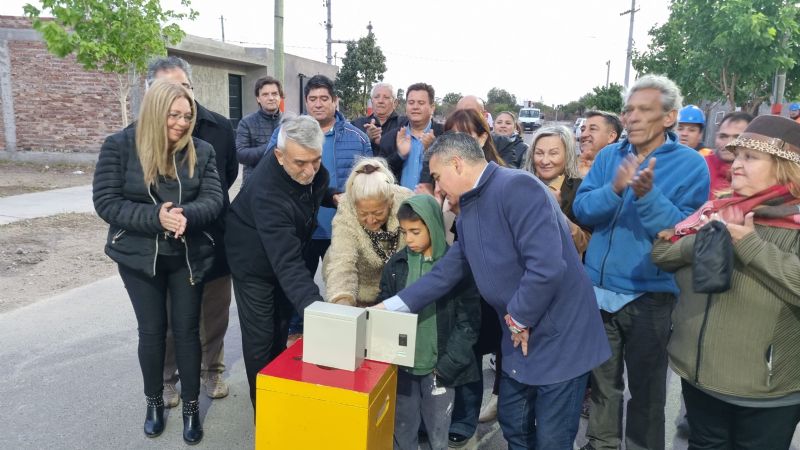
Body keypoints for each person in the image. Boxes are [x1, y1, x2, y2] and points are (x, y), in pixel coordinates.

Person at [378, 133, 610, 450]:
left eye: (437, 176)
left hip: (559, 337)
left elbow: (546, 267)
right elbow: (450, 269)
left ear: (457, 164)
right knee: (515, 424)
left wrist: (519, 318)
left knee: (551, 438)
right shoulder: (471, 205)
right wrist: (392, 306)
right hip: (518, 336)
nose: (439, 188)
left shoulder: (517, 188)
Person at [573, 74, 710, 450]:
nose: (631, 117)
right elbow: (583, 208)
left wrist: (647, 196)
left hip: (651, 297)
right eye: (628, 110)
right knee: (603, 385)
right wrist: (615, 189)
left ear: (669, 118)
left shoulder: (691, 166)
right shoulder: (608, 156)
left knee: (648, 393)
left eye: (643, 110)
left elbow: (681, 231)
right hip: (599, 292)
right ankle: (602, 443)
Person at [652, 114, 800, 450]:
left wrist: (748, 244)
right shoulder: (715, 210)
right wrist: (707, 235)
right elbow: (661, 253)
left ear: (784, 166)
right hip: (700, 378)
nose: (736, 164)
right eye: (737, 156)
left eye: (751, 157)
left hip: (766, 391)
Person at [93, 80, 223, 444]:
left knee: (186, 332)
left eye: (187, 116)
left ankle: (191, 408)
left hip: (186, 255)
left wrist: (185, 215)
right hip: (138, 256)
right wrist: (156, 217)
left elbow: (215, 200)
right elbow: (106, 202)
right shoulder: (119, 146)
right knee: (151, 331)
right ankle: (153, 402)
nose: (182, 123)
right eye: (174, 115)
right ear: (155, 112)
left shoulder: (203, 151)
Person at [144, 56, 239, 410]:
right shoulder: (142, 133)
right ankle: (168, 378)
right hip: (162, 242)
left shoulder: (219, 128)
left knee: (214, 312)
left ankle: (211, 369)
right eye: (166, 88)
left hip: (212, 235)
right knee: (167, 316)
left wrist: (195, 209)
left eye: (182, 86)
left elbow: (225, 178)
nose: (177, 95)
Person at [226, 115, 335, 407]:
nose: (310, 170)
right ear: (279, 154)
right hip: (252, 263)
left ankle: (280, 394)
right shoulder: (267, 192)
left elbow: (315, 188)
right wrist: (318, 312)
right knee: (261, 338)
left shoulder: (307, 166)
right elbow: (287, 263)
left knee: (282, 326)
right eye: (301, 163)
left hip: (283, 250)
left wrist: (336, 197)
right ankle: (264, 413)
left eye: (316, 160)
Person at [377, 194, 481, 450]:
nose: (409, 239)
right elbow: (386, 304)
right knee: (402, 427)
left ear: (433, 226)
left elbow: (469, 321)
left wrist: (449, 364)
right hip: (403, 368)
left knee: (438, 432)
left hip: (440, 370)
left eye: (415, 231)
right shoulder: (397, 264)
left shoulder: (455, 266)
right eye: (404, 232)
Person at [266, 74, 371, 277]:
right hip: (300, 228)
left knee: (342, 287)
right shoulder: (285, 134)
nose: (318, 104)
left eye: (324, 98)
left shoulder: (357, 138)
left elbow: (367, 183)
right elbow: (271, 171)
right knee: (297, 289)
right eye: (312, 99)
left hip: (342, 228)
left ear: (335, 101)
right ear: (306, 102)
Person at [322, 157, 412, 307]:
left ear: (390, 201)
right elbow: (342, 262)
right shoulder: (347, 208)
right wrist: (342, 302)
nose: (371, 220)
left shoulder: (406, 201)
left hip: (397, 288)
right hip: (360, 288)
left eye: (378, 213)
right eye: (363, 214)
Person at [522, 125, 591, 254]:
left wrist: (557, 213)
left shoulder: (580, 188)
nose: (545, 161)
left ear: (567, 155)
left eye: (553, 153)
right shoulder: (520, 183)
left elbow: (584, 242)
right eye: (539, 153)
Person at [379, 82, 442, 187]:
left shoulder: (444, 136)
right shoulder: (390, 138)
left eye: (421, 103)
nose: (415, 107)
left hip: (431, 202)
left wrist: (433, 150)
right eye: (411, 103)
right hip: (398, 201)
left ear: (432, 107)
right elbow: (380, 174)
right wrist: (399, 155)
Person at [236, 76, 284, 183]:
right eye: (265, 94)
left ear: (280, 96)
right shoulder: (247, 122)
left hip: (284, 185)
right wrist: (272, 146)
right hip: (254, 184)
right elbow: (241, 154)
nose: (271, 98)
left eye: (275, 93)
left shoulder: (290, 122)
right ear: (258, 98)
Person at [706, 111, 753, 199]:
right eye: (723, 136)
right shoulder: (701, 167)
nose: (728, 144)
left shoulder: (760, 173)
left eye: (737, 137)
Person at [351, 82, 404, 154]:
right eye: (376, 97)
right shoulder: (357, 124)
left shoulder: (403, 124)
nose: (380, 101)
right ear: (372, 101)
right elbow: (350, 153)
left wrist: (383, 142)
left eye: (386, 97)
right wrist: (366, 138)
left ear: (395, 103)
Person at [578, 110, 622, 177]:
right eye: (582, 130)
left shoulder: (623, 174)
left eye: (592, 129)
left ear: (611, 136)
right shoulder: (569, 170)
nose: (583, 135)